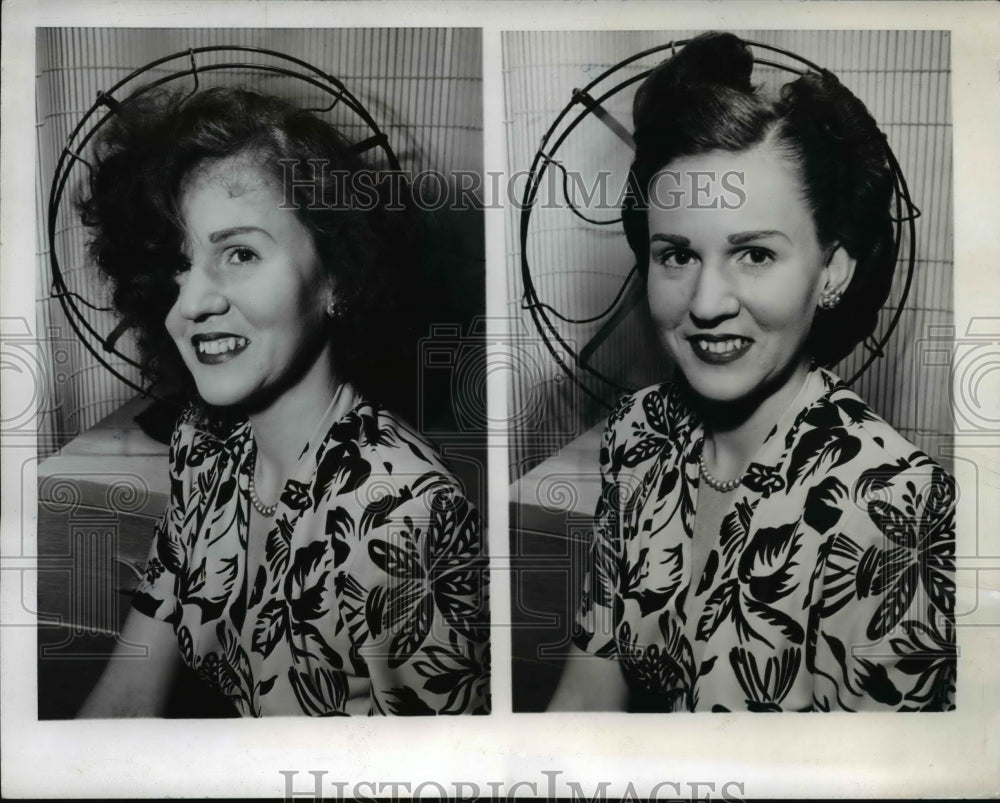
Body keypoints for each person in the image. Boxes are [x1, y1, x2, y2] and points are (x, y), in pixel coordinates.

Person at [549, 32, 955, 712]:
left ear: (833, 269)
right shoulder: (639, 431)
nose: (707, 304)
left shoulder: (897, 510)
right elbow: (588, 689)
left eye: (755, 255)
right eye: (677, 255)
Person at [75, 86, 489, 716]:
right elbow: (127, 698)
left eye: (239, 254)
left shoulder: (402, 513)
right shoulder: (204, 444)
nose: (190, 305)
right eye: (180, 266)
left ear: (339, 277)